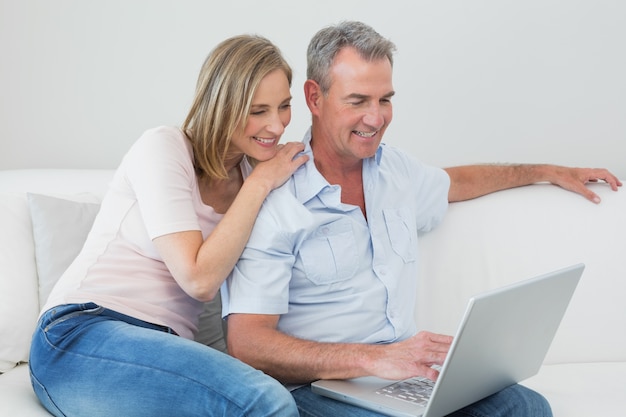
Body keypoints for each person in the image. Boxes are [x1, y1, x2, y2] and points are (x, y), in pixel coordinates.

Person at [222, 21, 622, 417]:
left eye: (385, 100)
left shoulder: (396, 172)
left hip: (402, 379)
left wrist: (547, 170)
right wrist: (372, 361)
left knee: (527, 408)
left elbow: (459, 181)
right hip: (318, 391)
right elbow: (247, 342)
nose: (376, 119)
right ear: (314, 97)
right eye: (358, 101)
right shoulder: (274, 196)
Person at [28, 35, 308, 417]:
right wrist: (261, 182)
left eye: (284, 106)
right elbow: (198, 279)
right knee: (267, 401)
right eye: (258, 110)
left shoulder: (256, 176)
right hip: (81, 333)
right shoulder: (164, 147)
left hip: (166, 349)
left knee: (290, 399)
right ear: (221, 106)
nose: (276, 125)